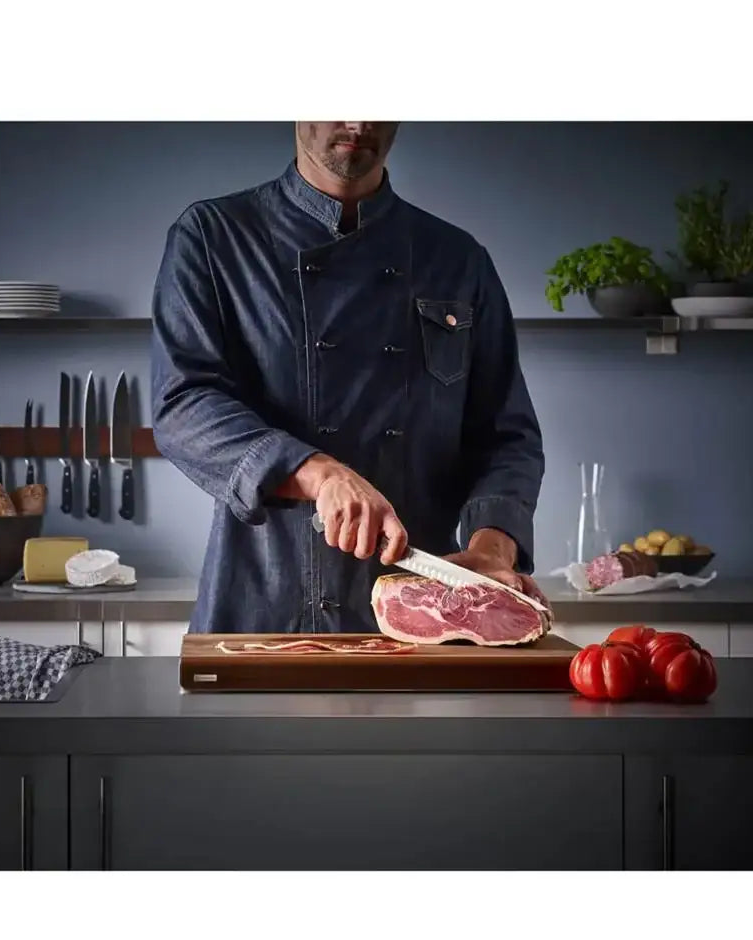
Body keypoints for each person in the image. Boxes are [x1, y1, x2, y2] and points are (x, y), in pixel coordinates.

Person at [150, 121, 545, 634]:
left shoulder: (457, 259)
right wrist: (322, 474)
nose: (357, 122)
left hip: (424, 612)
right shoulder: (214, 238)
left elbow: (506, 436)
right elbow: (183, 405)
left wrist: (492, 549)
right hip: (263, 608)